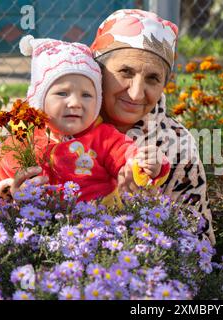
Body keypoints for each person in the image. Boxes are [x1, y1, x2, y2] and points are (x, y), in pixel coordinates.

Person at [0, 35, 170, 206]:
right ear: (39, 102)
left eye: (87, 95)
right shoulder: (24, 141)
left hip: (97, 223)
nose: (75, 103)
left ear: (98, 100)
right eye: (62, 94)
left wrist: (146, 163)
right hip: (37, 227)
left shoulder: (103, 138)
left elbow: (126, 155)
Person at [89, 9, 215, 244]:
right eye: (125, 72)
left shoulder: (176, 143)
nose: (136, 94)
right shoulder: (61, 125)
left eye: (152, 79)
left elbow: (200, 239)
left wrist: (149, 202)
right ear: (98, 70)